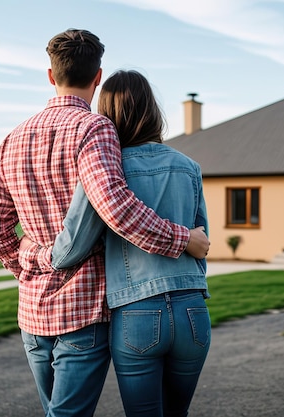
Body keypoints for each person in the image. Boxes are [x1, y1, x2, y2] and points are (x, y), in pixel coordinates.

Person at [0, 29, 209, 417]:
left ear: (50, 76)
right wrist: (182, 238)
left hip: (32, 312)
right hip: (81, 308)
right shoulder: (94, 129)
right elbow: (115, 208)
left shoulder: (11, 139)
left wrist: (25, 266)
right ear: (98, 75)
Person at [48, 69, 211, 417]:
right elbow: (203, 243)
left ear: (106, 114)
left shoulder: (104, 168)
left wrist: (37, 252)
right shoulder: (189, 167)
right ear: (153, 110)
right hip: (193, 309)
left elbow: (73, 246)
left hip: (136, 312)